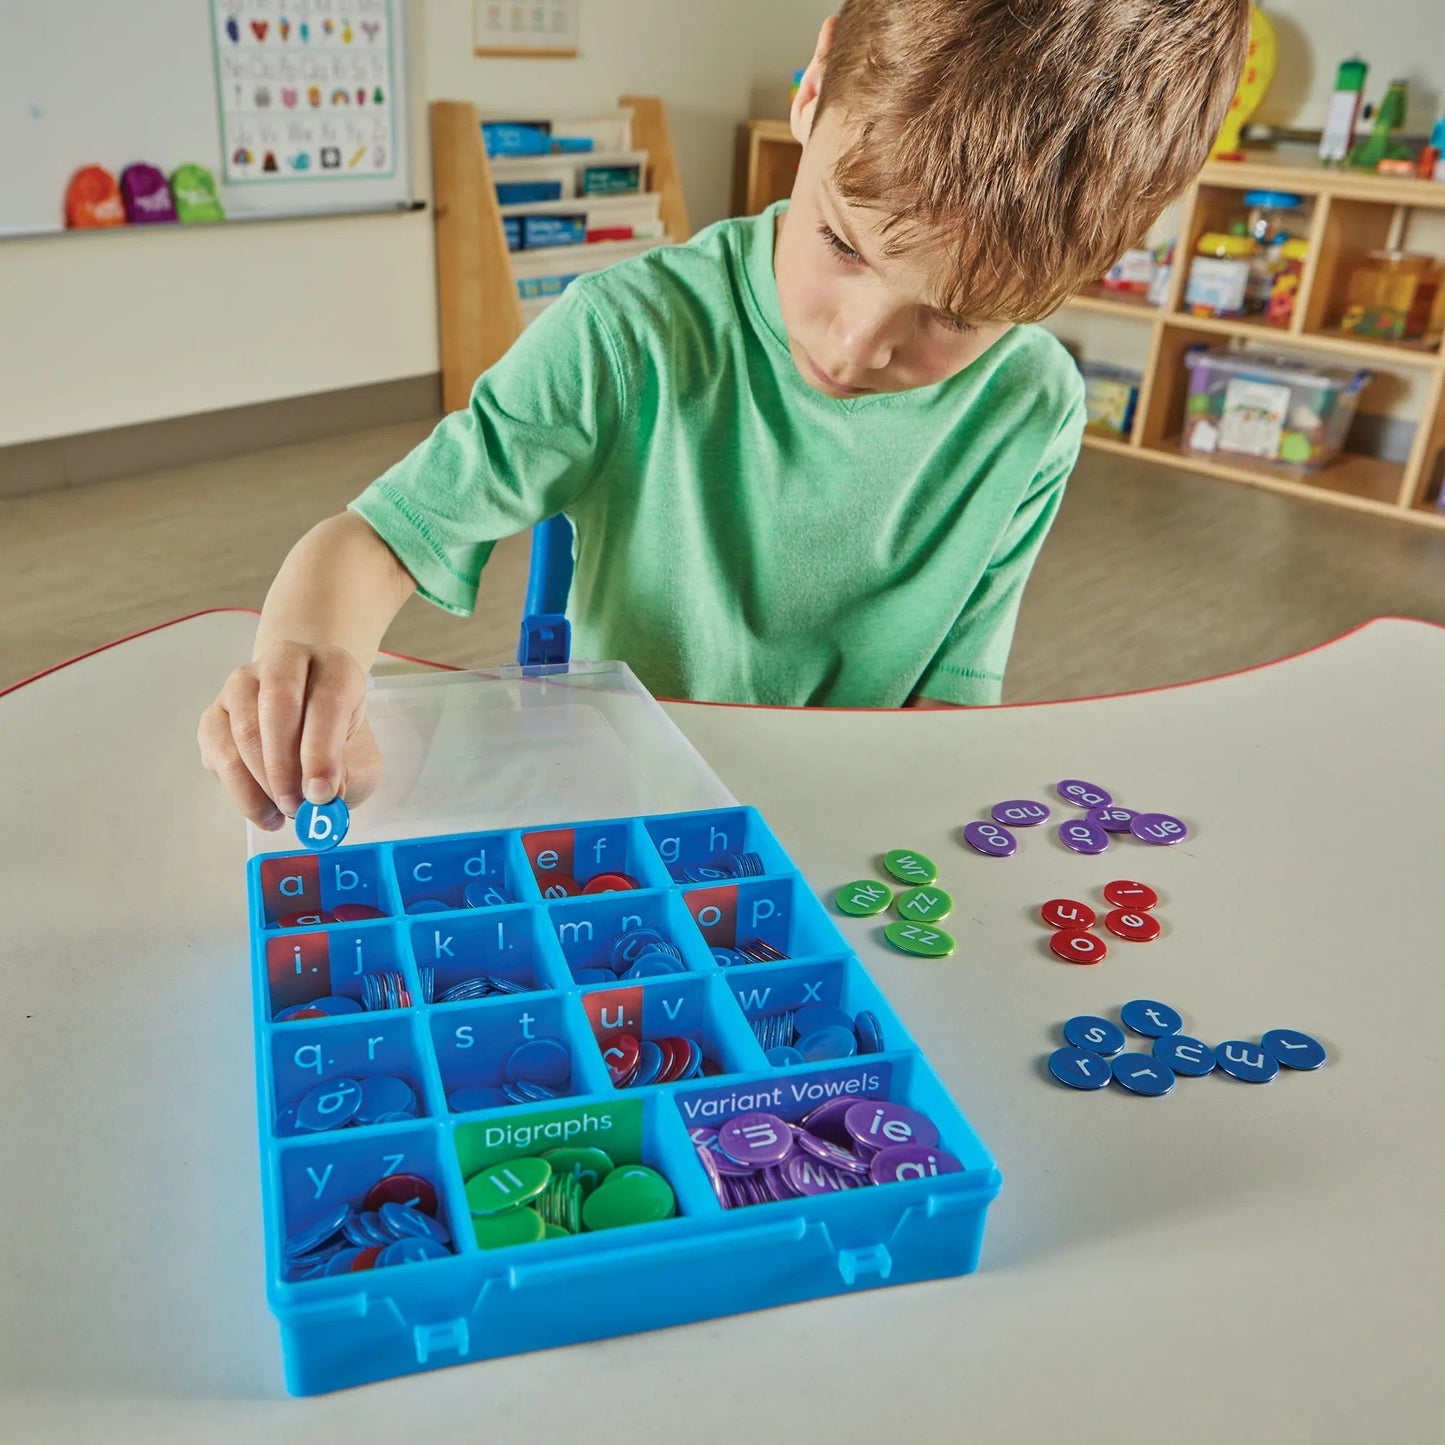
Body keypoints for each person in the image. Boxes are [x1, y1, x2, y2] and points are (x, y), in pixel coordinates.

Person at [200, 0, 1250, 829]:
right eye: (841, 243)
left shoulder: (1034, 410)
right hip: (620, 797)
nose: (855, 345)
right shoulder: (628, 333)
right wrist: (306, 670)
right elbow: (380, 536)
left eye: (954, 315)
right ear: (813, 85)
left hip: (835, 820)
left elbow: (945, 710)